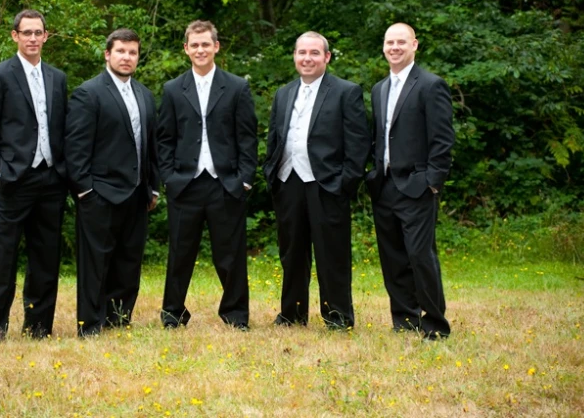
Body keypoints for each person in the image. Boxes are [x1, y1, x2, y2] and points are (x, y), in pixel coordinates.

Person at [0, 9, 68, 343]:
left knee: (46, 258)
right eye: (25, 32)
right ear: (15, 36)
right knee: (4, 258)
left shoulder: (58, 77)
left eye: (37, 32)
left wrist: (63, 171)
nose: (32, 38)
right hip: (14, 180)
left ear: (46, 36)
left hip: (51, 180)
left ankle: (39, 327)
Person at [263, 32, 369, 329]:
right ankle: (293, 314)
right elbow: (275, 137)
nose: (307, 58)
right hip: (288, 181)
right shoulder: (283, 93)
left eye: (313, 53)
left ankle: (337, 316)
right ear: (294, 56)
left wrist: (344, 183)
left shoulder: (346, 92)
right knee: (292, 253)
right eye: (301, 53)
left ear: (327, 57)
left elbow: (358, 144)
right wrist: (271, 173)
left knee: (331, 254)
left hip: (327, 184)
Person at [157, 20, 258, 330]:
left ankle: (235, 315)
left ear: (216, 46)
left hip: (225, 184)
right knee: (179, 254)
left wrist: (244, 179)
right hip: (185, 185)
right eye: (194, 45)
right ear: (186, 49)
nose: (200, 49)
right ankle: (173, 314)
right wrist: (169, 178)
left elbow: (247, 137)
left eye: (206, 44)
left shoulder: (237, 87)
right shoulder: (173, 89)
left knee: (231, 255)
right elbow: (164, 139)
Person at [65, 29, 160, 337]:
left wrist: (153, 187)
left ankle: (119, 318)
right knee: (95, 263)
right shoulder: (88, 93)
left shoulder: (144, 94)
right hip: (100, 194)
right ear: (107, 54)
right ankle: (90, 325)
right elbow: (76, 148)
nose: (127, 57)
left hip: (137, 194)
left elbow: (152, 146)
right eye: (120, 51)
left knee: (129, 260)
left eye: (132, 52)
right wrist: (85, 191)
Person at [366, 22, 455, 340]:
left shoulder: (431, 85)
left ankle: (435, 323)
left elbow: (443, 140)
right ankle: (404, 319)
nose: (394, 47)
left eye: (401, 42)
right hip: (385, 184)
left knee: (420, 255)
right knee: (392, 257)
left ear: (414, 45)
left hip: (417, 185)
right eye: (389, 42)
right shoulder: (379, 89)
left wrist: (432, 181)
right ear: (383, 47)